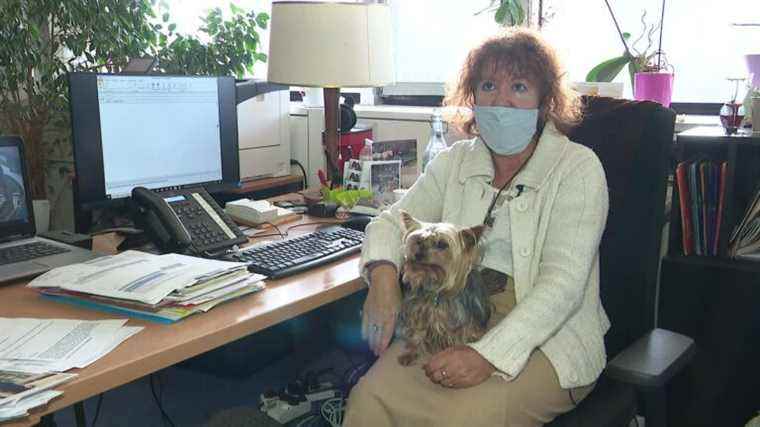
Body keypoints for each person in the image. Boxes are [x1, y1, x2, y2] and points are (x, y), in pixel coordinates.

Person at [343, 27, 610, 427]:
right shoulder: (454, 162)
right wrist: (382, 277)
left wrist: (489, 354)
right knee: (369, 398)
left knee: (461, 417)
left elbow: (564, 286)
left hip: (548, 335)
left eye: (519, 87)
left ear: (544, 102)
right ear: (473, 97)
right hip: (448, 321)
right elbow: (388, 222)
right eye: (488, 86)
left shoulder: (578, 168)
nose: (500, 101)